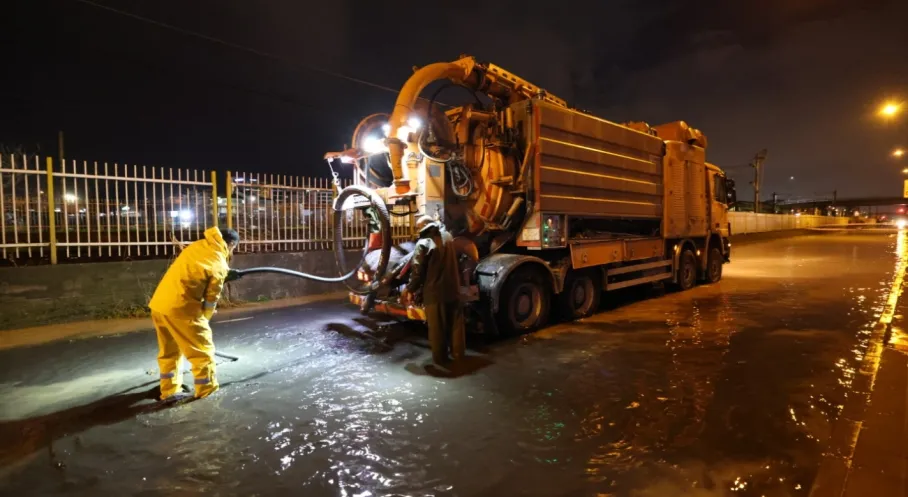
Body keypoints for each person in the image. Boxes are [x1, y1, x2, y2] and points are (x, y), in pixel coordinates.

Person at [148, 227, 240, 401]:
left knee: (169, 352)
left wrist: (222, 276)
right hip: (182, 310)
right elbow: (211, 300)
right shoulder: (219, 263)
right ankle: (207, 392)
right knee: (203, 354)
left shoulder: (196, 246)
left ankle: (169, 391)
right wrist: (203, 319)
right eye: (233, 248)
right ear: (231, 244)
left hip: (160, 305)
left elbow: (195, 271)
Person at [401, 216, 465, 364]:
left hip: (435, 293)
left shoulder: (423, 243)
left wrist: (410, 289)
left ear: (422, 226)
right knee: (456, 326)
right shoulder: (448, 236)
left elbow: (417, 271)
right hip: (454, 290)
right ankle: (458, 356)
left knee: (437, 329)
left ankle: (440, 361)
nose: (417, 231)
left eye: (417, 228)